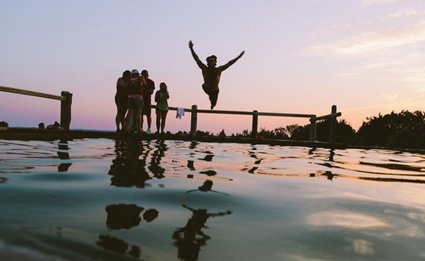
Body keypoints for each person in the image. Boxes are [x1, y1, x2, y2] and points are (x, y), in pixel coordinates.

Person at [188, 40, 245, 109]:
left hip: (215, 91)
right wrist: (191, 49)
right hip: (206, 88)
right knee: (206, 90)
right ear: (207, 62)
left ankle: (212, 104)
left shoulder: (218, 70)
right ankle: (211, 100)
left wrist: (238, 57)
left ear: (215, 63)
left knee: (213, 102)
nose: (211, 62)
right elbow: (197, 59)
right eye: (210, 61)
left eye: (213, 61)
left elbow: (229, 63)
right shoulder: (204, 68)